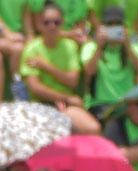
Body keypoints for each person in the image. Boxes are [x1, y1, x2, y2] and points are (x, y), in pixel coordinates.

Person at [20, 2, 101, 135]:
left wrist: (46, 66)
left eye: (56, 22)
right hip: (41, 104)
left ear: (62, 22)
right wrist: (65, 98)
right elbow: (35, 87)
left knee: (93, 128)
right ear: (40, 24)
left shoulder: (70, 47)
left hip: (66, 105)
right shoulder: (31, 49)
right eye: (47, 22)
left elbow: (72, 81)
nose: (52, 26)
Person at [80, 5, 138, 119]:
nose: (114, 28)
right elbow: (89, 72)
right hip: (99, 104)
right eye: (110, 25)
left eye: (117, 24)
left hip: (125, 104)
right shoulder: (90, 47)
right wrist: (99, 47)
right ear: (102, 27)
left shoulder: (133, 48)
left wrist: (127, 45)